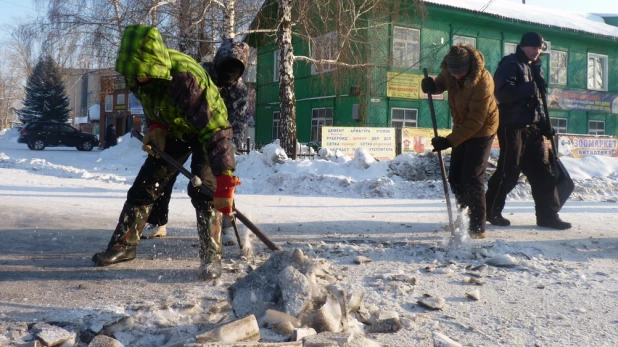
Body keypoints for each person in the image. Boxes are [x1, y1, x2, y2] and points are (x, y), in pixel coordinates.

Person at [91, 24, 243, 280]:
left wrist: (225, 183)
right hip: (175, 129)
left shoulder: (184, 78)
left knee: (204, 191)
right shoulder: (135, 72)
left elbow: (215, 132)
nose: (139, 78)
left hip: (207, 131)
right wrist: (157, 127)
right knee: (146, 184)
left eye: (143, 72)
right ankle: (124, 245)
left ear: (154, 64)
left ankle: (211, 258)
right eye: (135, 72)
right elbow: (154, 103)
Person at [143, 39, 249, 245]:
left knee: (214, 179)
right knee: (164, 172)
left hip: (213, 137)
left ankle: (224, 225)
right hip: (183, 129)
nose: (230, 72)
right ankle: (157, 221)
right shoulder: (199, 73)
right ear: (218, 61)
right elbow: (168, 100)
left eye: (236, 68)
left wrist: (225, 152)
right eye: (227, 65)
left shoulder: (239, 90)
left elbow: (239, 123)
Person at [485, 32, 571, 230]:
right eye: (534, 47)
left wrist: (543, 124)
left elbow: (536, 103)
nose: (537, 51)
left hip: (532, 128)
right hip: (512, 126)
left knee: (543, 172)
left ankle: (548, 215)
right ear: (523, 46)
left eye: (540, 48)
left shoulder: (535, 68)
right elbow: (502, 94)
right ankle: (490, 210)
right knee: (509, 171)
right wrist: (531, 86)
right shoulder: (510, 64)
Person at [421, 44, 499, 239]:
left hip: (482, 130)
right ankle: (464, 215)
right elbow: (441, 82)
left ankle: (477, 226)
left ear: (469, 68)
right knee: (455, 177)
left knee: (472, 176)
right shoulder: (450, 71)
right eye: (453, 73)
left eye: (460, 73)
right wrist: (432, 86)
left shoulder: (483, 82)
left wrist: (448, 141)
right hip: (462, 126)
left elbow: (476, 121)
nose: (456, 77)